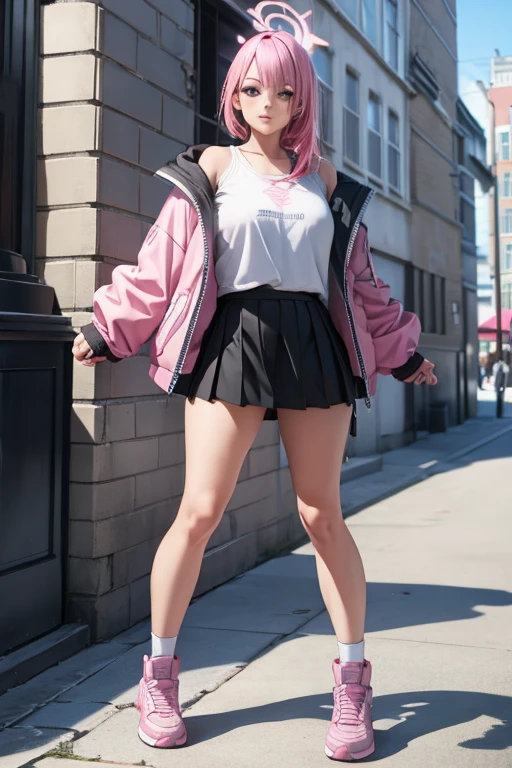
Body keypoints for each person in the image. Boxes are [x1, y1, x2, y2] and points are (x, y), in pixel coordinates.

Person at [71, 30, 437, 761]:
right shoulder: (210, 168)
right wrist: (111, 326)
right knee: (201, 511)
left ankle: (353, 684)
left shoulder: (326, 183)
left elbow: (359, 285)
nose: (266, 103)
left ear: (302, 99)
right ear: (234, 95)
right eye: (251, 89)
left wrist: (403, 351)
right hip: (230, 334)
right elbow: (162, 265)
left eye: (284, 91)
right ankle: (160, 677)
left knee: (320, 514)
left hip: (312, 342)